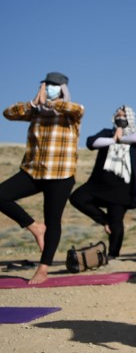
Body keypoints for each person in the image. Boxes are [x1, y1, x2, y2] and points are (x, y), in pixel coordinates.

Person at [0, 72, 85, 283]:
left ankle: (43, 268)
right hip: (33, 172)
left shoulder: (70, 113)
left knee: (53, 220)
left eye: (54, 86)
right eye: (47, 85)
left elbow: (77, 109)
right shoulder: (35, 111)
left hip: (60, 175)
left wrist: (52, 103)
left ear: (63, 89)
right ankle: (34, 227)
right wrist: (32, 103)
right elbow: (8, 113)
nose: (49, 88)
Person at [69, 105, 136, 258]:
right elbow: (91, 143)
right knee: (77, 198)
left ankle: (113, 255)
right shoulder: (107, 134)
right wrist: (113, 139)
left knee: (116, 222)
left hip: (122, 188)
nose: (120, 118)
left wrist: (120, 138)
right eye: (118, 115)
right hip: (98, 184)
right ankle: (104, 220)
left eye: (124, 116)